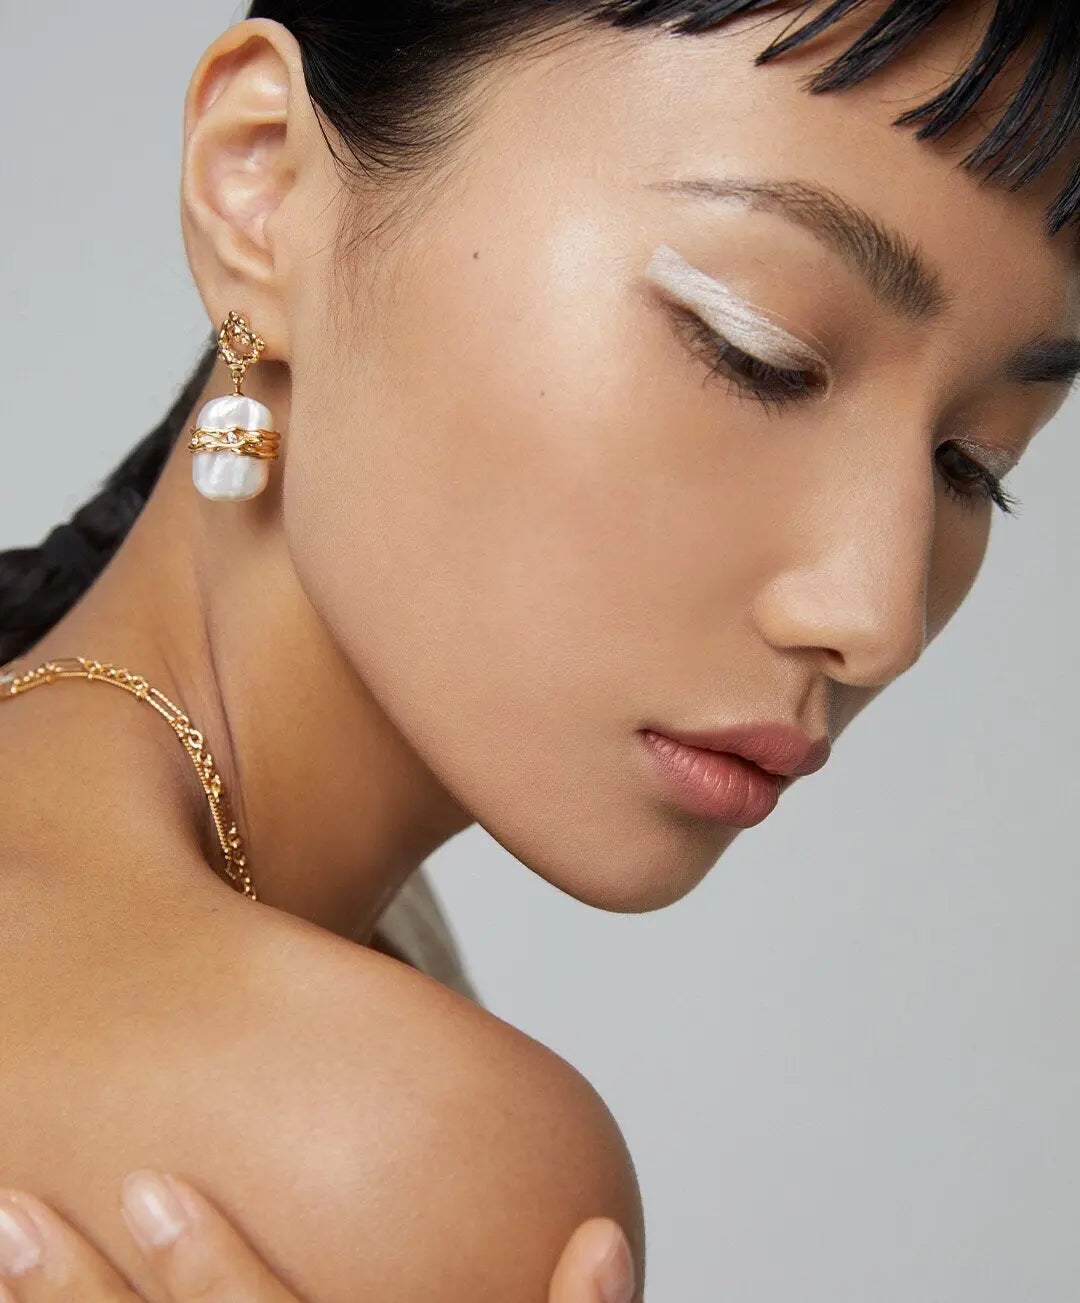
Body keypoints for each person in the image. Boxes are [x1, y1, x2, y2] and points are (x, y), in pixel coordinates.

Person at [1, 0, 1078, 1300]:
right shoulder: (384, 1152)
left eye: (974, 463)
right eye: (758, 352)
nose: (876, 616)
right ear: (264, 182)